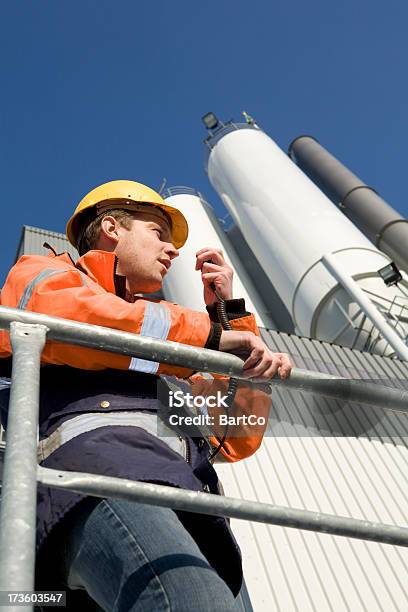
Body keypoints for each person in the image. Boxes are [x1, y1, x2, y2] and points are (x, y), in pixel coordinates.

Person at [0, 180, 292, 611]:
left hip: (191, 507)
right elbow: (78, 321)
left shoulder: (163, 353)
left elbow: (234, 437)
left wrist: (233, 320)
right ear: (113, 227)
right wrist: (212, 336)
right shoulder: (44, 274)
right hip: (97, 482)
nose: (172, 252)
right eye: (158, 233)